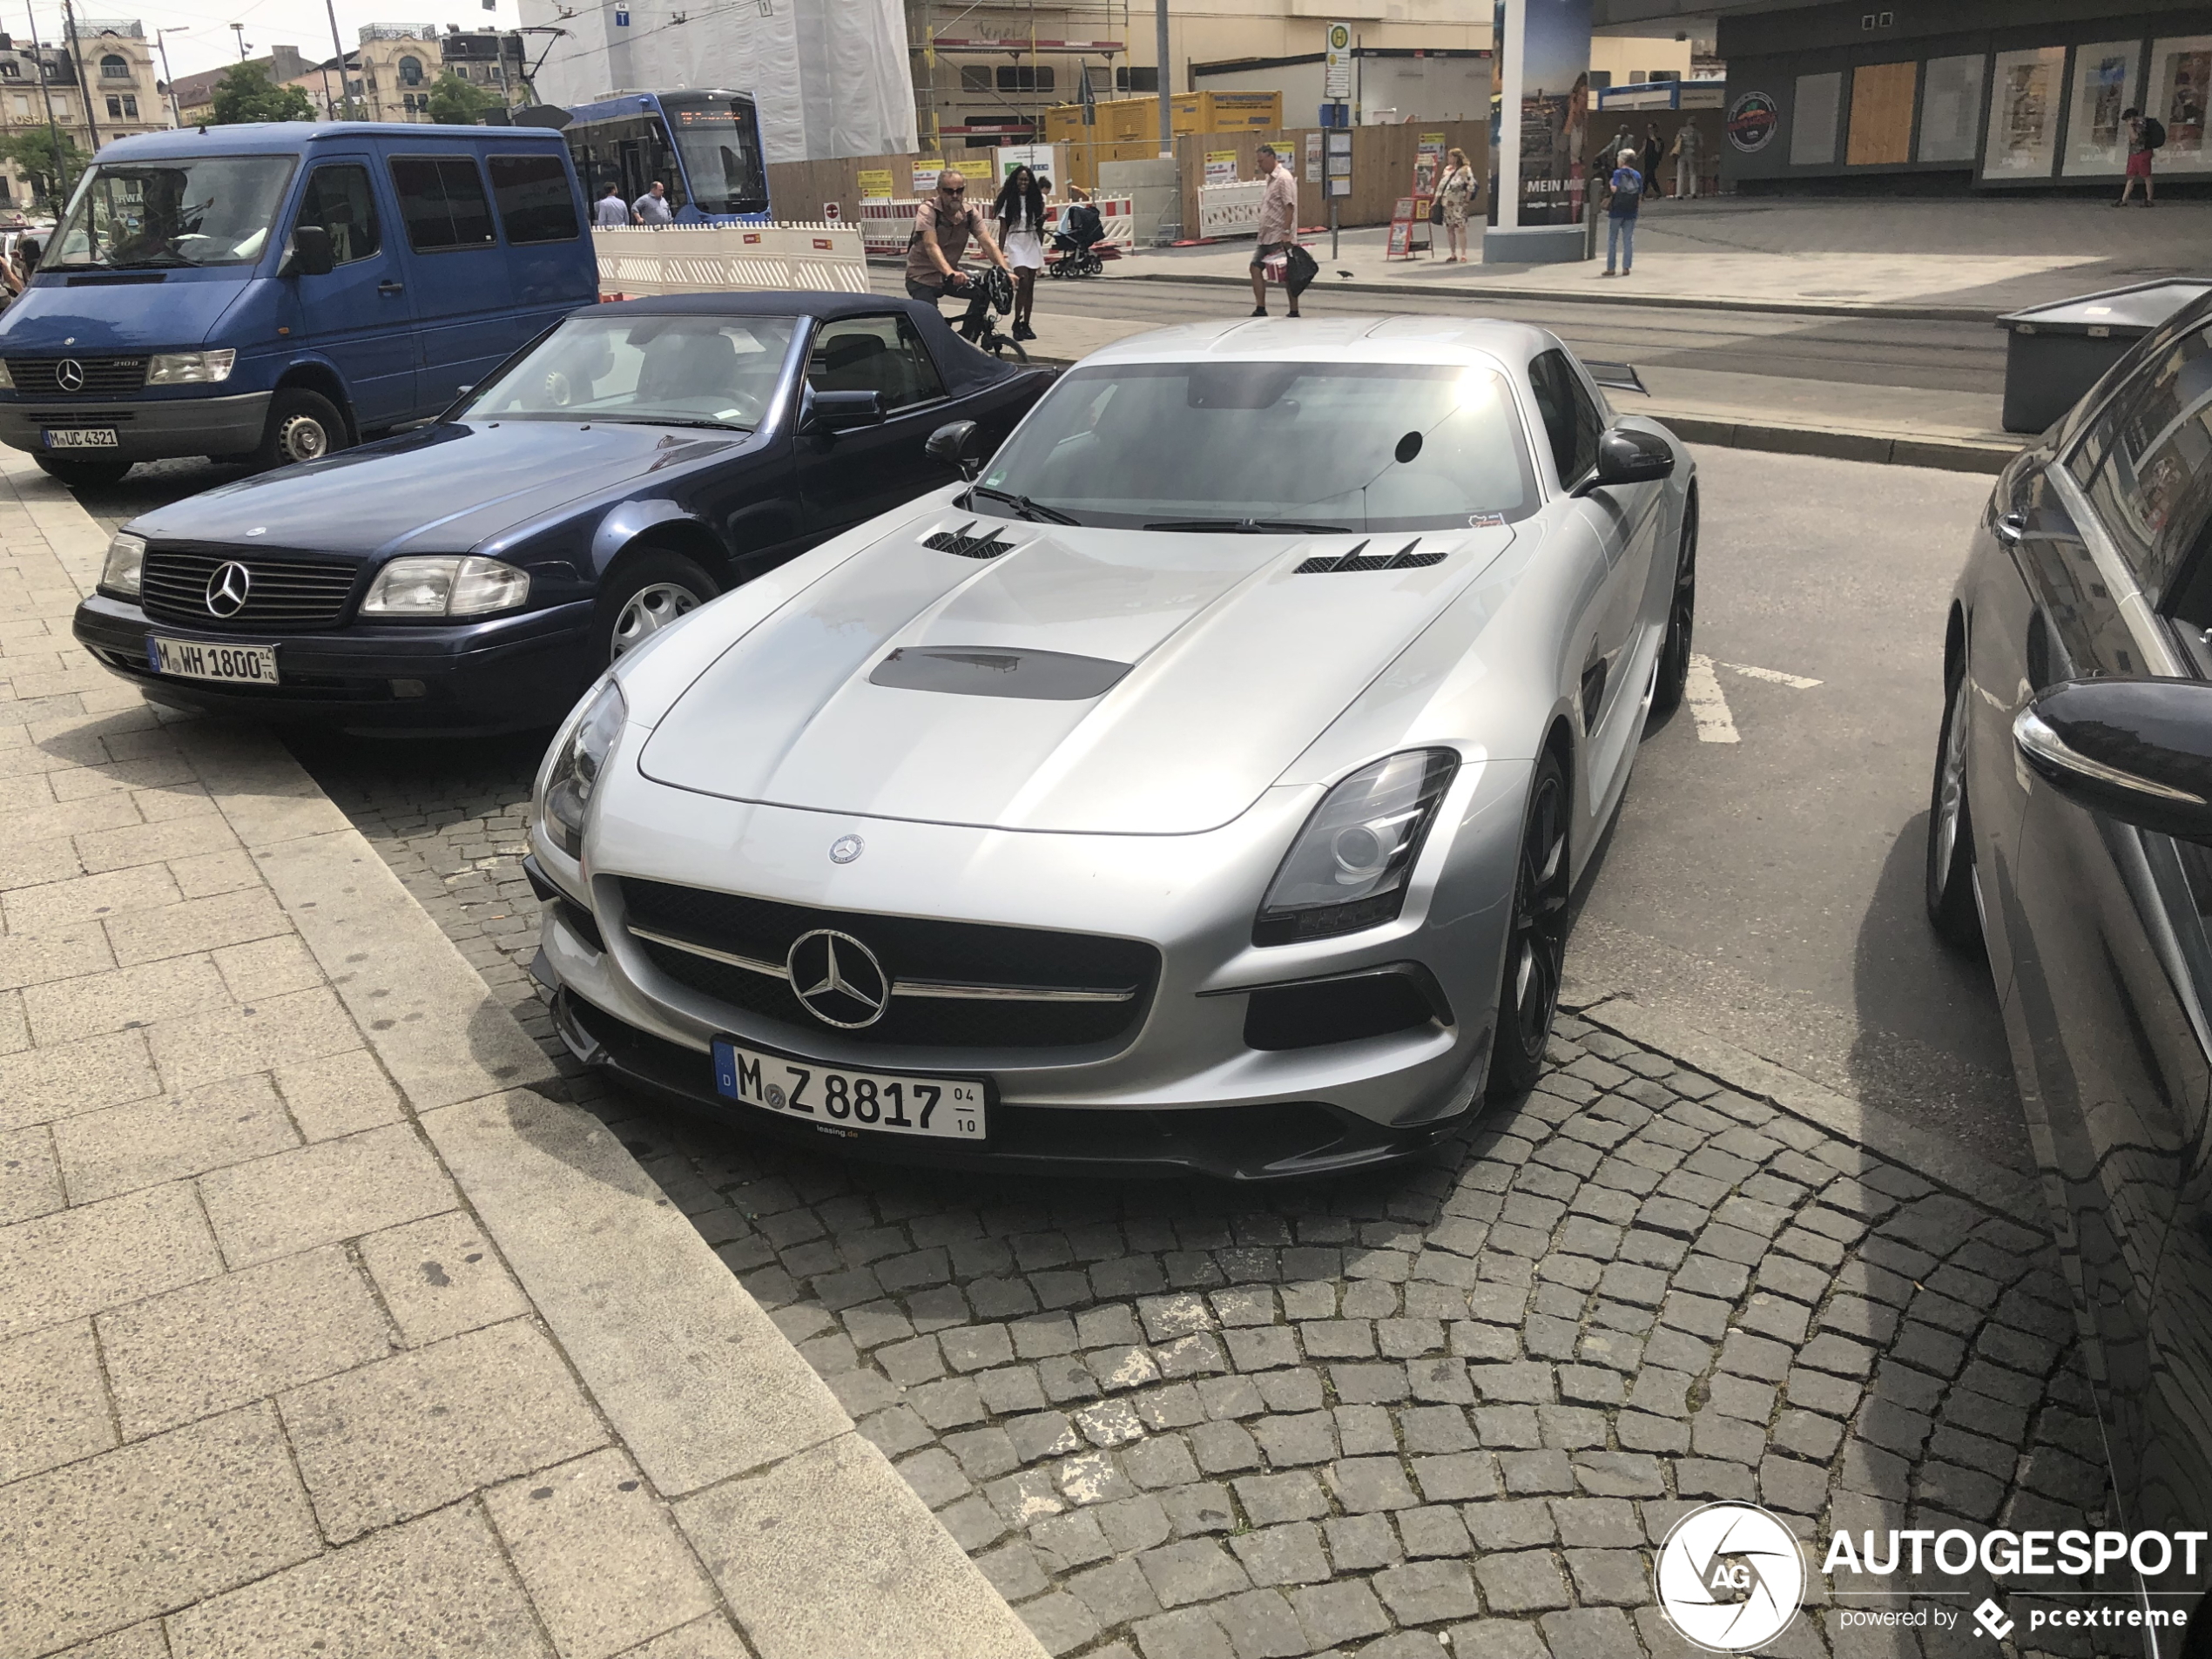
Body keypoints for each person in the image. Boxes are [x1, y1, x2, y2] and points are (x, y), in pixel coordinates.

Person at [904, 169, 1011, 341]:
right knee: (931, 326)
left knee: (983, 292)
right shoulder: (928, 210)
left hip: (950, 277)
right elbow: (931, 245)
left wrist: (1006, 271)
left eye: (959, 190)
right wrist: (950, 272)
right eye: (949, 191)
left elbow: (988, 243)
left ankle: (967, 339)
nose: (955, 195)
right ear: (939, 191)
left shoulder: (969, 213)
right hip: (921, 278)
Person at [995, 164, 1047, 341]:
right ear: (1015, 181)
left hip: (1031, 240)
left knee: (1030, 286)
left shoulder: (1037, 199)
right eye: (1020, 179)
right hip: (1016, 242)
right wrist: (999, 253)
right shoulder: (1009, 200)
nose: (1023, 182)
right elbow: (1003, 228)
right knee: (1022, 281)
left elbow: (1039, 225)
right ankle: (1016, 322)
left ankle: (1026, 324)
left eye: (1026, 180)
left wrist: (1041, 227)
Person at [1249, 144, 1302, 318]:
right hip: (1266, 237)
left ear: (1271, 158)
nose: (1259, 165)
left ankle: (1294, 310)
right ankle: (1260, 308)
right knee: (1255, 268)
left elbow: (1289, 207)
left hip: (1279, 237)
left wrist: (1287, 232)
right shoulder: (1270, 178)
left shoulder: (1283, 178)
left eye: (1261, 161)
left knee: (1288, 275)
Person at [1602, 147, 1642, 277]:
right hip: (1631, 211)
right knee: (1628, 239)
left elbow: (1615, 189)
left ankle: (1611, 268)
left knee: (1612, 239)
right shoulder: (1637, 175)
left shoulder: (1618, 173)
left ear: (1622, 160)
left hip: (1617, 210)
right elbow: (1639, 195)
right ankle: (1626, 267)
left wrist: (1610, 184)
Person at [1438, 145, 1476, 263]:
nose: (1448, 158)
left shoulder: (1465, 170)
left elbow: (1471, 185)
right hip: (1446, 203)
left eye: (1450, 156)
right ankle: (1453, 253)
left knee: (1460, 228)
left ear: (1456, 157)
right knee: (1449, 228)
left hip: (1458, 203)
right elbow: (1441, 186)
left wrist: (1467, 200)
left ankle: (1463, 254)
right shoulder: (1447, 170)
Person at [2118, 107, 2156, 207]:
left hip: (2142, 152)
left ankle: (2149, 199)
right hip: (2134, 153)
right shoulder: (2136, 124)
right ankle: (2124, 199)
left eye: (2127, 120)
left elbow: (2135, 138)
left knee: (2146, 176)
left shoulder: (2140, 124)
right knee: (2131, 176)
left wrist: (2130, 127)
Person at [1669, 120, 1703, 201]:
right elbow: (1701, 144)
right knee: (1693, 173)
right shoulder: (1696, 131)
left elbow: (1676, 141)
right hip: (1692, 154)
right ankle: (1693, 192)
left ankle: (1679, 194)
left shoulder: (1681, 130)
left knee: (1680, 173)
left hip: (1681, 154)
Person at [1642, 124, 1665, 199]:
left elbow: (1658, 149)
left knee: (1648, 175)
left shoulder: (1659, 140)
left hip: (1654, 159)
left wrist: (1654, 140)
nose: (1649, 130)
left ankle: (1642, 192)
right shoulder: (1647, 139)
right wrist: (1637, 155)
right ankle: (1658, 191)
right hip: (1647, 159)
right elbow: (1644, 148)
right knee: (1650, 176)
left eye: (1651, 128)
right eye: (1648, 129)